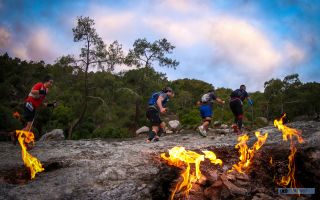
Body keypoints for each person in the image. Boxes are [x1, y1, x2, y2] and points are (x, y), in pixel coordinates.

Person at [11, 75, 56, 144]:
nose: (51, 84)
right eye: (50, 82)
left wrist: (51, 105)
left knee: (28, 126)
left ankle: (15, 135)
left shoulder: (45, 92)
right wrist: (43, 92)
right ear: (46, 81)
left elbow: (41, 103)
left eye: (52, 83)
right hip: (29, 104)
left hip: (33, 107)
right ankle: (21, 139)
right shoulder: (40, 85)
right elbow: (32, 91)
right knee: (29, 125)